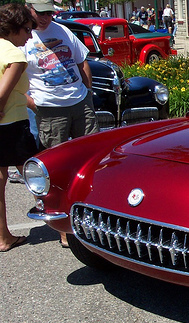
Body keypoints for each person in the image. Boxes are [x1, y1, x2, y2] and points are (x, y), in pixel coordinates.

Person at [22, 0, 99, 247]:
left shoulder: (62, 30)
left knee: (92, 156)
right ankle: (63, 227)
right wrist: (33, 103)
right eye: (40, 13)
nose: (45, 18)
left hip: (78, 102)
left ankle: (93, 210)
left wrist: (87, 91)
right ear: (29, 9)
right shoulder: (24, 36)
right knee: (55, 166)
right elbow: (11, 74)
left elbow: (81, 60)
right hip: (49, 108)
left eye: (49, 13)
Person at [0, 3, 38, 252]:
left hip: (7, 122)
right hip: (11, 124)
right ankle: (64, 231)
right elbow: (4, 93)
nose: (29, 36)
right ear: (13, 28)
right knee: (37, 174)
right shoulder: (14, 55)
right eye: (26, 29)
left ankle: (3, 237)